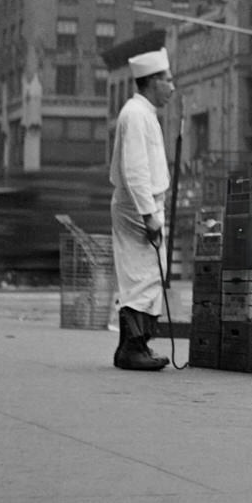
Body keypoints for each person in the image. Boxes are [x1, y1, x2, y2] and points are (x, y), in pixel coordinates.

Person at [109, 48, 175, 371]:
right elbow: (135, 169)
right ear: (152, 81)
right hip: (139, 208)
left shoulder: (142, 112)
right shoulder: (135, 114)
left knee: (147, 275)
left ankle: (135, 346)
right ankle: (133, 348)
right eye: (168, 80)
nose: (172, 87)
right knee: (140, 278)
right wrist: (148, 213)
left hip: (143, 206)